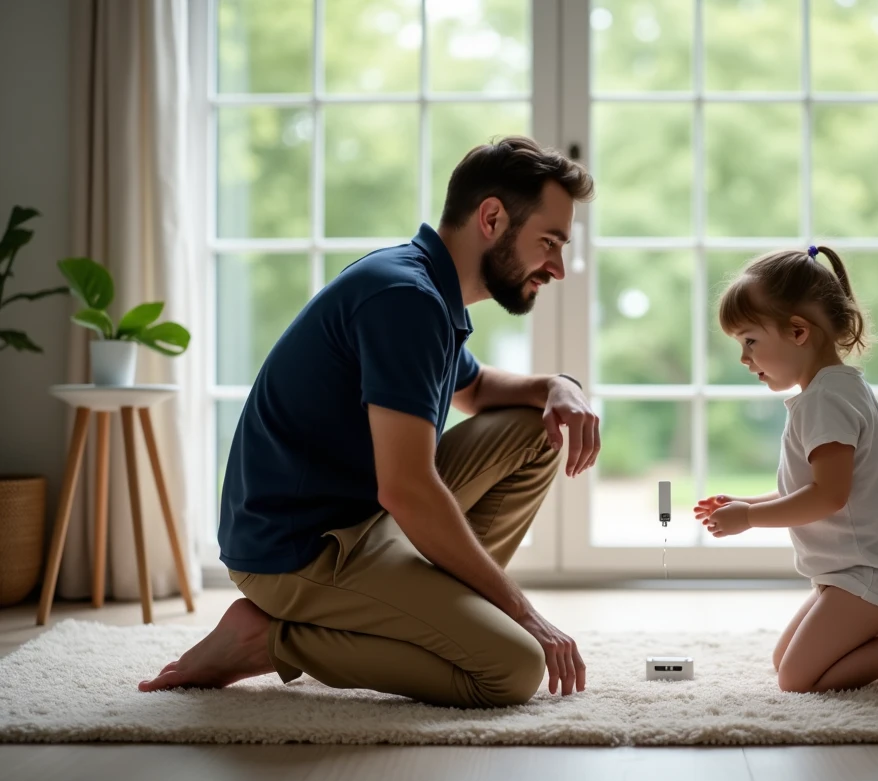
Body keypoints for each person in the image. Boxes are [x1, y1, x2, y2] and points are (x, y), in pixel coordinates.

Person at [140, 136, 598, 708]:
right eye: (549, 242)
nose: (556, 267)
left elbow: (476, 389)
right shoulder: (406, 299)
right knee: (510, 668)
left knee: (536, 427)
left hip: (362, 520)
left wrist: (559, 387)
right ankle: (269, 638)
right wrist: (526, 615)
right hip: (301, 550)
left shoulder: (426, 285)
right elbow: (406, 489)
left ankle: (443, 615)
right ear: (491, 218)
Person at [694, 245, 878, 693]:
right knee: (784, 659)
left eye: (750, 341)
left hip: (877, 574)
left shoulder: (825, 402)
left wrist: (747, 518)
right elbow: (815, 490)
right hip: (853, 570)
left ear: (798, 332)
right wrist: (744, 504)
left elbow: (827, 497)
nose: (745, 359)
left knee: (796, 680)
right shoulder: (834, 389)